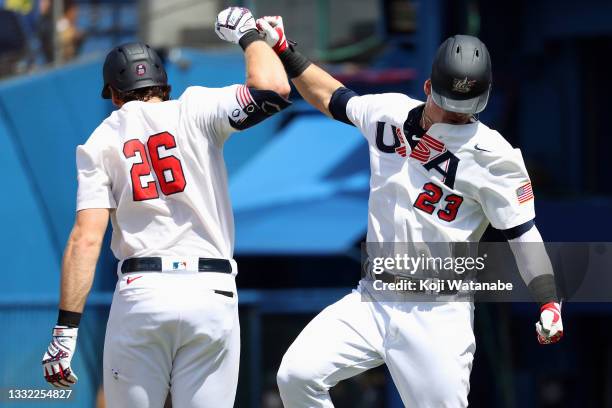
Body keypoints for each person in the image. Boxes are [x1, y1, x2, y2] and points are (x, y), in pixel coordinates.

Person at [256, 17, 563, 407]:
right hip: (373, 297)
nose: (456, 115)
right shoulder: (390, 113)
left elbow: (523, 237)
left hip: (437, 312)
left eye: (465, 108)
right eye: (448, 104)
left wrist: (549, 300)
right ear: (428, 87)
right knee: (297, 375)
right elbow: (333, 97)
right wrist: (285, 48)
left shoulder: (496, 158)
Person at [40, 6, 290, 408]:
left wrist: (65, 331)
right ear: (163, 85)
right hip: (212, 291)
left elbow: (86, 241)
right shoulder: (194, 108)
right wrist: (248, 35)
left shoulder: (99, 141)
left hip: (143, 292)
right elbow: (273, 89)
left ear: (115, 94)